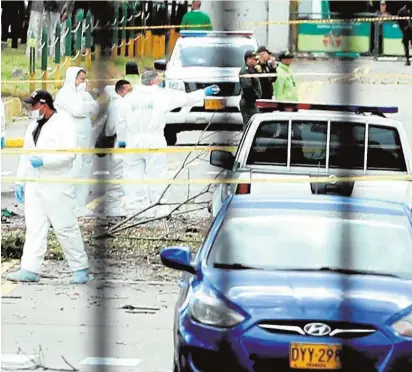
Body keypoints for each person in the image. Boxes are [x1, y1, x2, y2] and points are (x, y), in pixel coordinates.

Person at [6, 90, 90, 284]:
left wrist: (45, 161)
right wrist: (20, 180)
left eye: (32, 105)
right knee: (35, 227)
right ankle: (30, 268)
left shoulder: (64, 122)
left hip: (56, 182)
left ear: (44, 105)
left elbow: (69, 154)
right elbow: (26, 155)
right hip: (35, 183)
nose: (29, 109)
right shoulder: (33, 125)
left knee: (65, 226)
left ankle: (80, 268)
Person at [116, 70, 219, 216]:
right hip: (154, 140)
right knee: (157, 175)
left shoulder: (129, 98)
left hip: (133, 141)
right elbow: (185, 99)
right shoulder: (161, 95)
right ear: (153, 81)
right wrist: (204, 92)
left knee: (133, 176)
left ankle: (134, 211)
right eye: (158, 80)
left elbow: (120, 121)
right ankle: (159, 210)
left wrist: (122, 140)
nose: (160, 82)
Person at [54, 66, 99, 217]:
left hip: (85, 140)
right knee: (73, 171)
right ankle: (69, 206)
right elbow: (78, 110)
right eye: (81, 79)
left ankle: (79, 204)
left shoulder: (83, 95)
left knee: (84, 171)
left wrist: (86, 104)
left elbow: (95, 107)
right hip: (71, 140)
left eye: (84, 79)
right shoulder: (65, 94)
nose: (83, 82)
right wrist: (86, 105)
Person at [100, 79, 133, 217]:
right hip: (119, 144)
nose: (131, 92)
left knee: (125, 175)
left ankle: (118, 205)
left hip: (126, 143)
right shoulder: (117, 104)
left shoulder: (124, 103)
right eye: (128, 90)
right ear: (120, 90)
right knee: (117, 176)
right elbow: (111, 128)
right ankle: (112, 206)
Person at [239, 50, 262, 130]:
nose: (256, 61)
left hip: (252, 102)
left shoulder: (252, 70)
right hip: (248, 102)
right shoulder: (245, 71)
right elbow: (247, 88)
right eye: (254, 59)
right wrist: (255, 97)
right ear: (248, 59)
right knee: (249, 125)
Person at [397, 1, 412, 66]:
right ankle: (407, 59)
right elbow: (399, 22)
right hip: (406, 31)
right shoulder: (401, 11)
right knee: (405, 44)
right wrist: (403, 30)